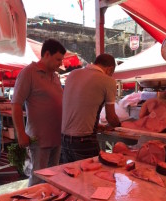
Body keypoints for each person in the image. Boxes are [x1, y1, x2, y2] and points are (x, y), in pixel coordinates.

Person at [11, 38, 66, 186]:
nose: (61, 63)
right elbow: (16, 105)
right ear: (46, 54)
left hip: (56, 137)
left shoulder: (54, 76)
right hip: (39, 139)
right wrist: (21, 134)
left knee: (52, 177)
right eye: (58, 59)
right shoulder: (28, 73)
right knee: (38, 178)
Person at [61, 53, 120, 163]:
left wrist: (96, 125)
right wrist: (120, 126)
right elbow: (111, 117)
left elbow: (78, 107)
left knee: (72, 178)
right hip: (84, 141)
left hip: (64, 140)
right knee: (92, 177)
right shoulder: (108, 81)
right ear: (110, 69)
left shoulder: (73, 74)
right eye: (111, 73)